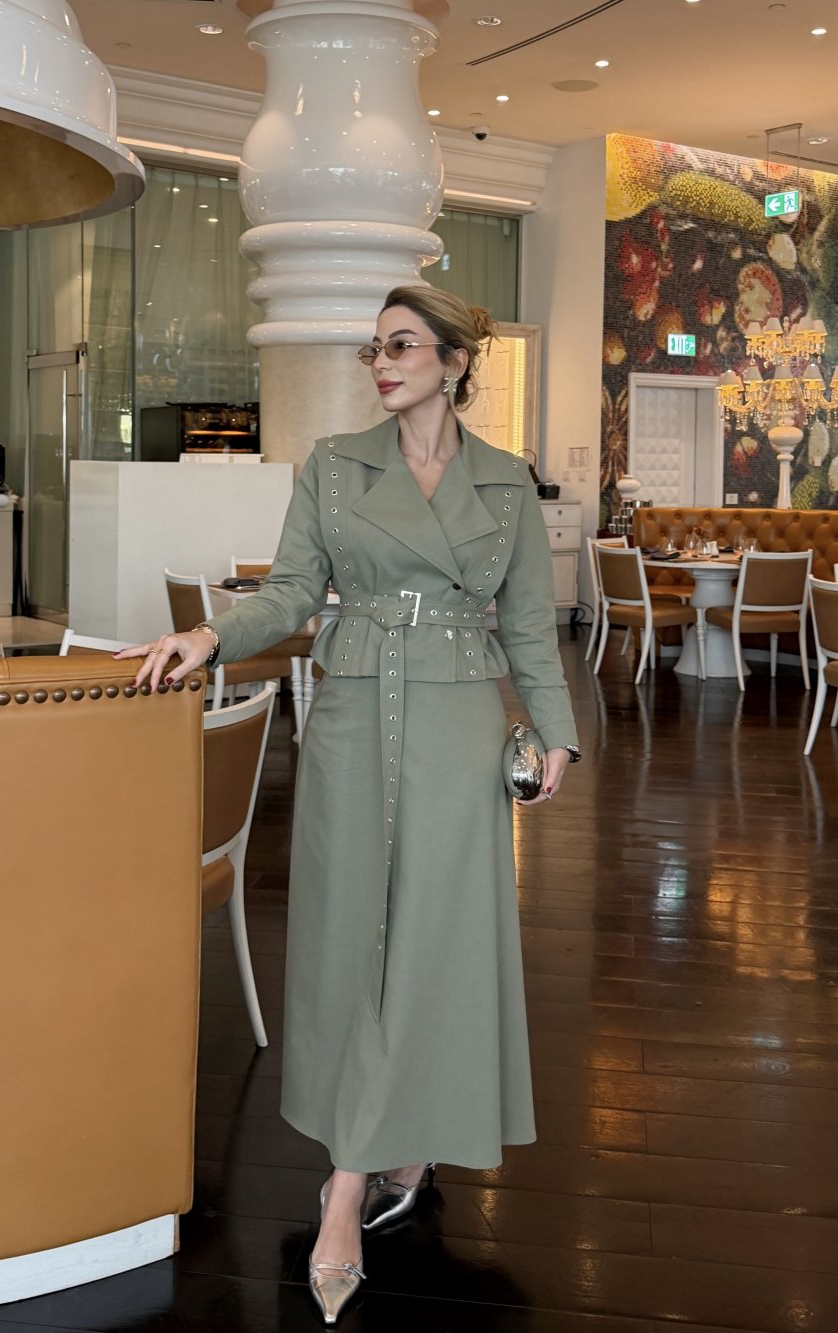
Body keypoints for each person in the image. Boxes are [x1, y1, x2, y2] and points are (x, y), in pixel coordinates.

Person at [118, 285, 579, 1325]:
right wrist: (210, 636)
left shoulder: (506, 482)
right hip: (354, 715)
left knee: (431, 943)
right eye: (375, 348)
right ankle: (361, 1167)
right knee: (354, 940)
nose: (382, 363)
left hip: (459, 724)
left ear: (456, 361)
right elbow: (292, 592)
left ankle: (365, 1171)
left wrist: (556, 732)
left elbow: (526, 628)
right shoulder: (334, 464)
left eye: (402, 345)